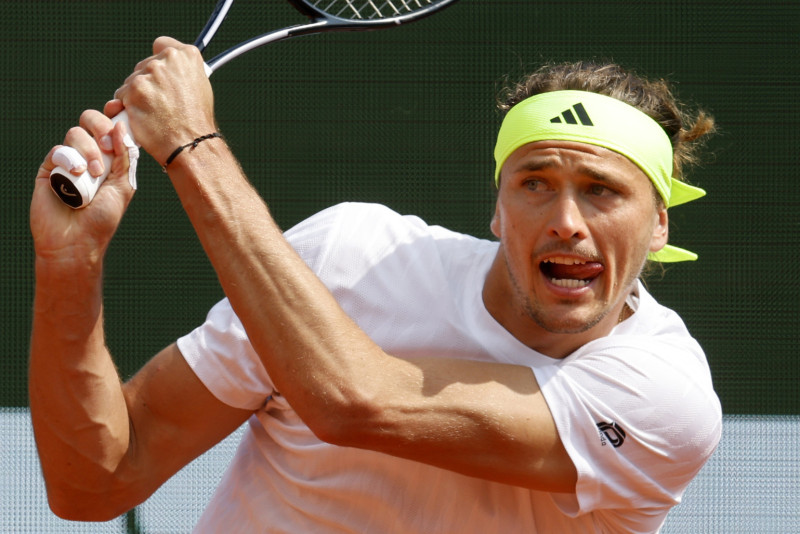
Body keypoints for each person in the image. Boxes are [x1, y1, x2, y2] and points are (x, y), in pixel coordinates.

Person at [30, 37, 722, 533]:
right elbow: (94, 482)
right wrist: (69, 262)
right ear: (497, 209)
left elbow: (354, 402)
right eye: (535, 183)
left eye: (601, 190)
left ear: (658, 224)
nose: (566, 221)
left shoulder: (663, 396)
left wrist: (190, 145)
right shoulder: (347, 258)